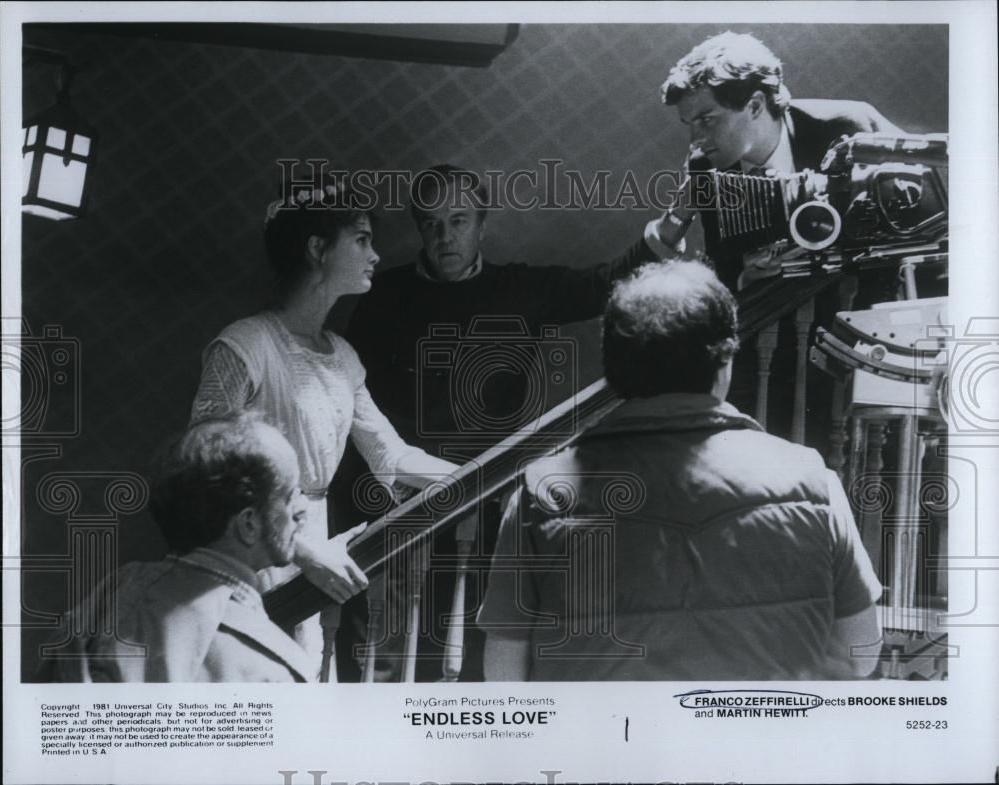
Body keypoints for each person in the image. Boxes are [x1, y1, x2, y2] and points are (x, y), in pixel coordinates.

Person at [334, 165, 675, 681]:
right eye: (431, 223)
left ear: (482, 226)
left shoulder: (520, 288)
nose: (444, 236)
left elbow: (604, 283)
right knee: (388, 640)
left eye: (458, 220)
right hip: (405, 495)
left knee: (485, 630)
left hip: (490, 487)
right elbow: (356, 405)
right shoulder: (385, 295)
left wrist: (674, 224)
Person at [479, 260, 883, 680]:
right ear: (724, 363)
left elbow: (504, 671)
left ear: (613, 370)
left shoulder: (543, 492)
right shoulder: (813, 480)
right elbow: (859, 654)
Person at [190, 186, 459, 670]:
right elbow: (202, 471)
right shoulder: (246, 345)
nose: (375, 254)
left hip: (313, 545)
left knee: (304, 675)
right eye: (361, 240)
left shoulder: (341, 356)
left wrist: (477, 475)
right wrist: (301, 550)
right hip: (247, 549)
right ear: (318, 249)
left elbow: (390, 455)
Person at [651, 31, 904, 448]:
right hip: (781, 356)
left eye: (707, 119)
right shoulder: (705, 168)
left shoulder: (851, 126)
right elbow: (727, 266)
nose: (695, 140)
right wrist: (747, 276)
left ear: (754, 104)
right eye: (688, 125)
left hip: (868, 340)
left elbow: (931, 201)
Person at [45, 417, 328, 682]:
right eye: (291, 495)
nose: (302, 509)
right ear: (248, 524)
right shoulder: (275, 670)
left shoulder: (107, 599)